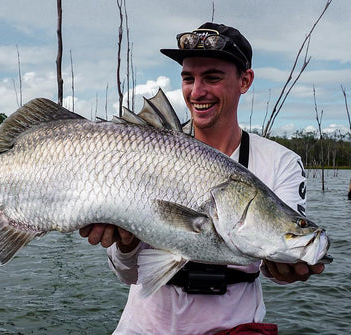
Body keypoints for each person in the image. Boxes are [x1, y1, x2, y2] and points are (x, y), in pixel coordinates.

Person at [79, 22, 325, 334]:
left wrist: (286, 267)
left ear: (245, 80)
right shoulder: (140, 149)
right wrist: (125, 247)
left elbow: (278, 249)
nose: (197, 92)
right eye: (188, 78)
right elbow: (128, 276)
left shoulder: (282, 162)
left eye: (212, 77)